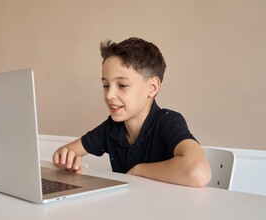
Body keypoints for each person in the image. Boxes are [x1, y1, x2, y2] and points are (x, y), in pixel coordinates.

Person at [53, 37, 211, 187]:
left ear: (152, 87)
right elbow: (65, 152)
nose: (109, 95)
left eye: (122, 85)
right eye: (106, 85)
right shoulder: (111, 128)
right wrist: (66, 159)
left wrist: (138, 170)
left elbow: (198, 172)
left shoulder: (167, 122)